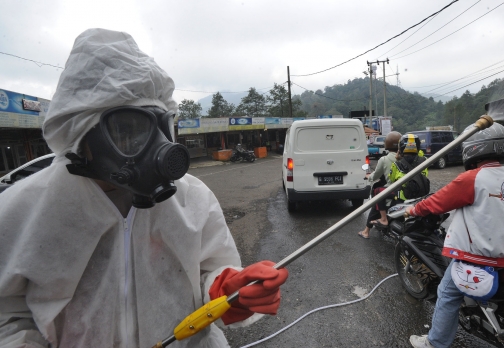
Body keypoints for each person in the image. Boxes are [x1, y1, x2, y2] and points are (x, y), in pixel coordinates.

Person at [0, 29, 288, 348]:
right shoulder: (23, 210)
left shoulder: (192, 197)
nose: (155, 147)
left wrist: (228, 288)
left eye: (161, 126)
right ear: (81, 134)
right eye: (129, 131)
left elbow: (211, 269)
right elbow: (8, 313)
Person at [407, 122, 504, 348]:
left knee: (446, 293)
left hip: (489, 257)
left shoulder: (472, 178)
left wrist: (413, 209)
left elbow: (436, 203)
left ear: (474, 147)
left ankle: (434, 343)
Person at [370, 134, 428, 230]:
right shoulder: (425, 160)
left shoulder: (397, 164)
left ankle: (383, 219)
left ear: (400, 148)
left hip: (403, 194)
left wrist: (398, 159)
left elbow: (392, 179)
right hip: (421, 192)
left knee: (378, 192)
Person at [358, 131, 401, 238]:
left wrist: (369, 177)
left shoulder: (385, 159)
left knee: (377, 199)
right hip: (406, 190)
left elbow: (376, 175)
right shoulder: (404, 157)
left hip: (392, 190)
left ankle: (366, 231)